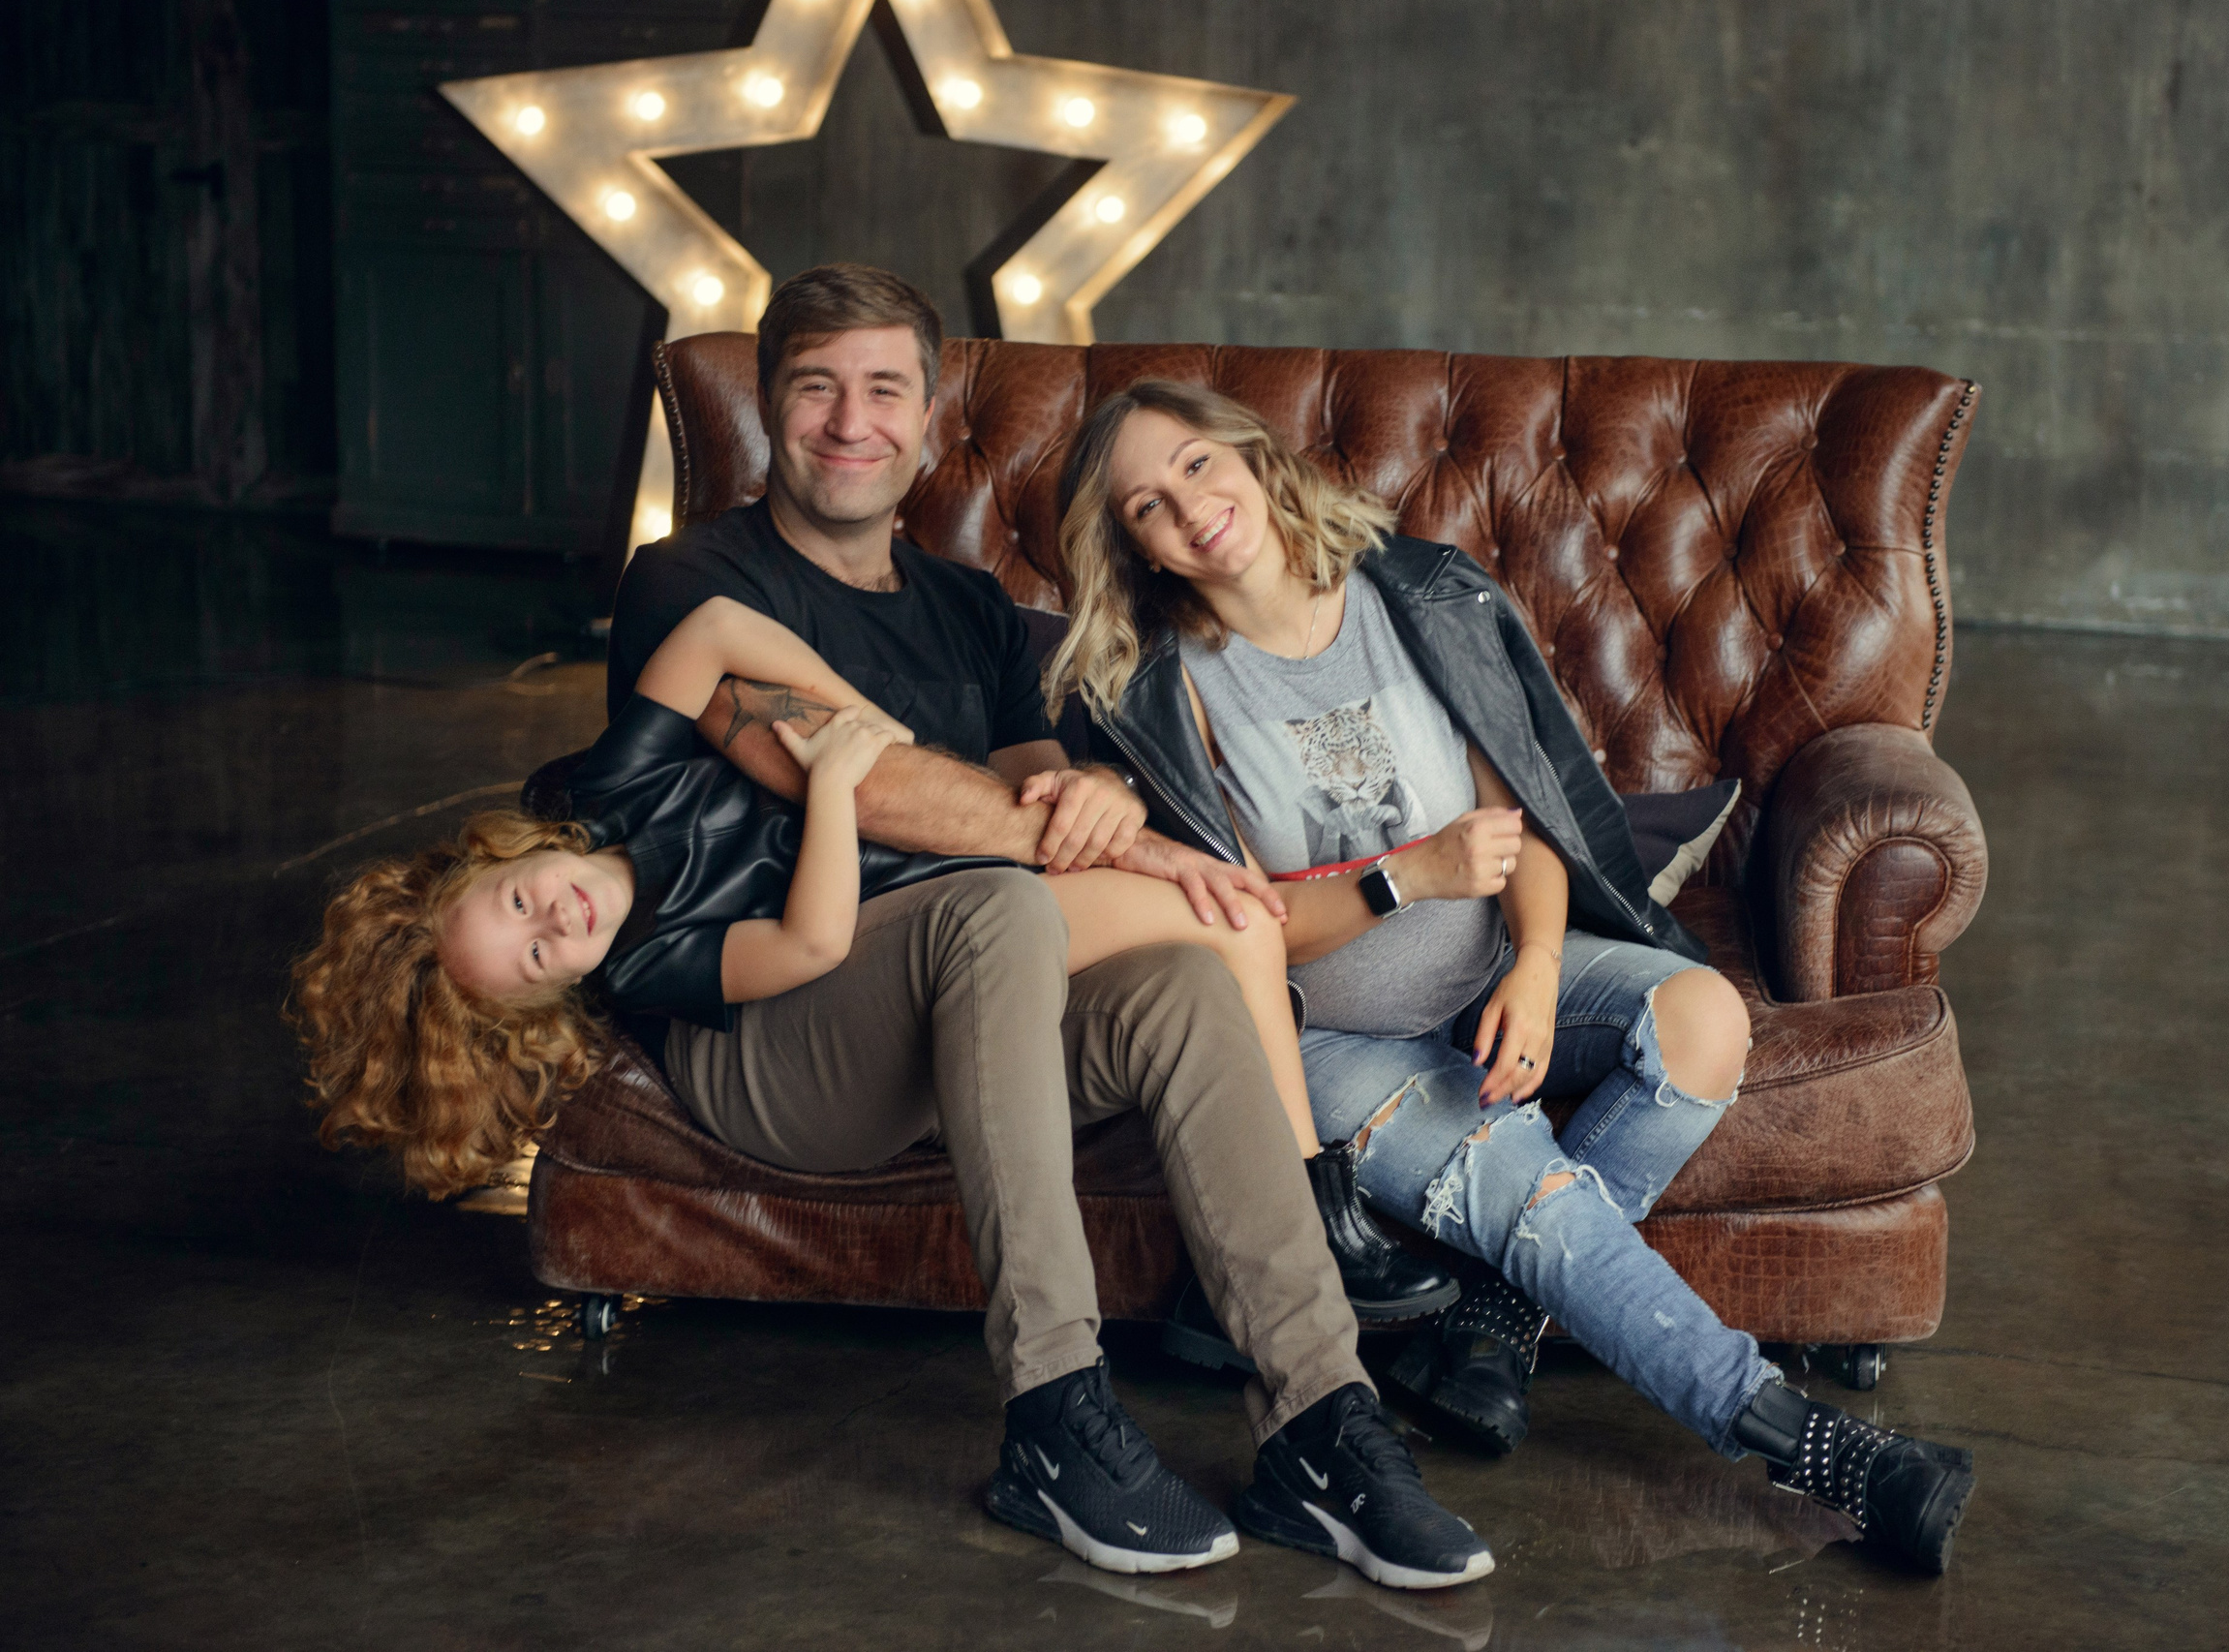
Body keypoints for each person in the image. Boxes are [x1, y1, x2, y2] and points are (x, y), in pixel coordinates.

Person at [573, 264, 1483, 1586]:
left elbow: (1037, 788)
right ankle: (1054, 1411)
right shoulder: (689, 581)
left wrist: (1101, 794)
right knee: (1000, 903)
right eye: (814, 387)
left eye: (884, 388)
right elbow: (857, 770)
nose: (848, 420)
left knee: (1180, 977)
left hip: (961, 1023)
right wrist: (1132, 842)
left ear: (932, 416)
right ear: (768, 405)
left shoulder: (971, 609)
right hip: (767, 1026)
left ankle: (1318, 1414)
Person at [1041, 378, 1979, 1576]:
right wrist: (1402, 877)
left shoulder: (1417, 592)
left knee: (1698, 1016)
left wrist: (1535, 968)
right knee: (1533, 1193)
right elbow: (1242, 929)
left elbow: (1523, 823)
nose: (1187, 508)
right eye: (1145, 507)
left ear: (1247, 453)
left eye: (1193, 466)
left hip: (1493, 963)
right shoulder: (1163, 694)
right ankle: (1818, 1450)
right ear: (1133, 548)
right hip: (1333, 1043)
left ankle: (1494, 1324)